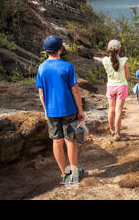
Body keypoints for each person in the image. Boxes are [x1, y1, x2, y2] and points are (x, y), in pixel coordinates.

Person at [36, 35, 85, 184]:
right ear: (61, 49)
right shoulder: (67, 66)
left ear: (45, 50)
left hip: (51, 111)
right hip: (68, 109)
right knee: (70, 141)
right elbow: (75, 90)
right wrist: (80, 110)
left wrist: (45, 110)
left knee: (57, 141)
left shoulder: (41, 67)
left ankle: (65, 174)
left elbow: (41, 92)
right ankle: (74, 174)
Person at [102, 39, 130, 141]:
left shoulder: (104, 60)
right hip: (121, 86)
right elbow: (127, 76)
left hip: (110, 86)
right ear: (119, 49)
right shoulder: (124, 60)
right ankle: (117, 134)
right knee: (118, 111)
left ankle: (111, 129)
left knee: (111, 110)